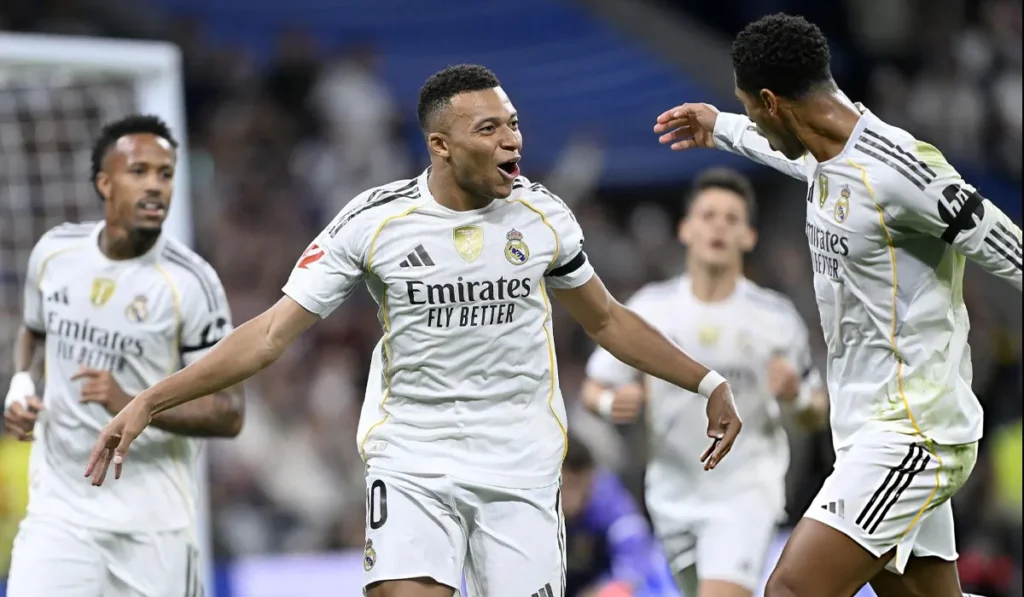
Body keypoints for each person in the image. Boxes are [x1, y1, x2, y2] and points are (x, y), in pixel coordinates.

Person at [83, 65, 743, 597]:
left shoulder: (542, 216)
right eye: (489, 128)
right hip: (414, 460)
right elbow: (270, 334)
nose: (512, 140)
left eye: (513, 124)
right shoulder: (374, 223)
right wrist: (151, 400)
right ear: (441, 145)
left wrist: (706, 380)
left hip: (521, 464)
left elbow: (607, 318)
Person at [652, 13, 1023, 597]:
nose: (754, 120)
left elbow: (1009, 246)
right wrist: (720, 125)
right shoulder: (822, 155)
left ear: (772, 102)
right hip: (867, 432)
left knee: (790, 590)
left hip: (914, 435)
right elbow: (783, 152)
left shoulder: (901, 171)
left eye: (750, 108)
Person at [2, 114, 245, 597]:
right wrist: (22, 383)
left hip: (153, 529)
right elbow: (33, 331)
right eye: (139, 171)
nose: (155, 185)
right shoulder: (54, 253)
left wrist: (138, 403)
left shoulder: (192, 284)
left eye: (165, 173)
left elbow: (230, 413)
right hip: (60, 516)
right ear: (105, 183)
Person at [581, 167, 828, 597]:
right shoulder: (651, 310)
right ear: (686, 229)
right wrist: (609, 404)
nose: (719, 227)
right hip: (671, 496)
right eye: (708, 215)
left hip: (746, 493)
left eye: (732, 219)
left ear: (748, 236)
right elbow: (593, 388)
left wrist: (797, 398)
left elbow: (816, 412)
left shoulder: (774, 318)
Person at [560, 434, 677, 597]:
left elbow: (636, 558)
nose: (574, 497)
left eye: (579, 485)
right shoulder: (530, 506)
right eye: (566, 486)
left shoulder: (606, 499)